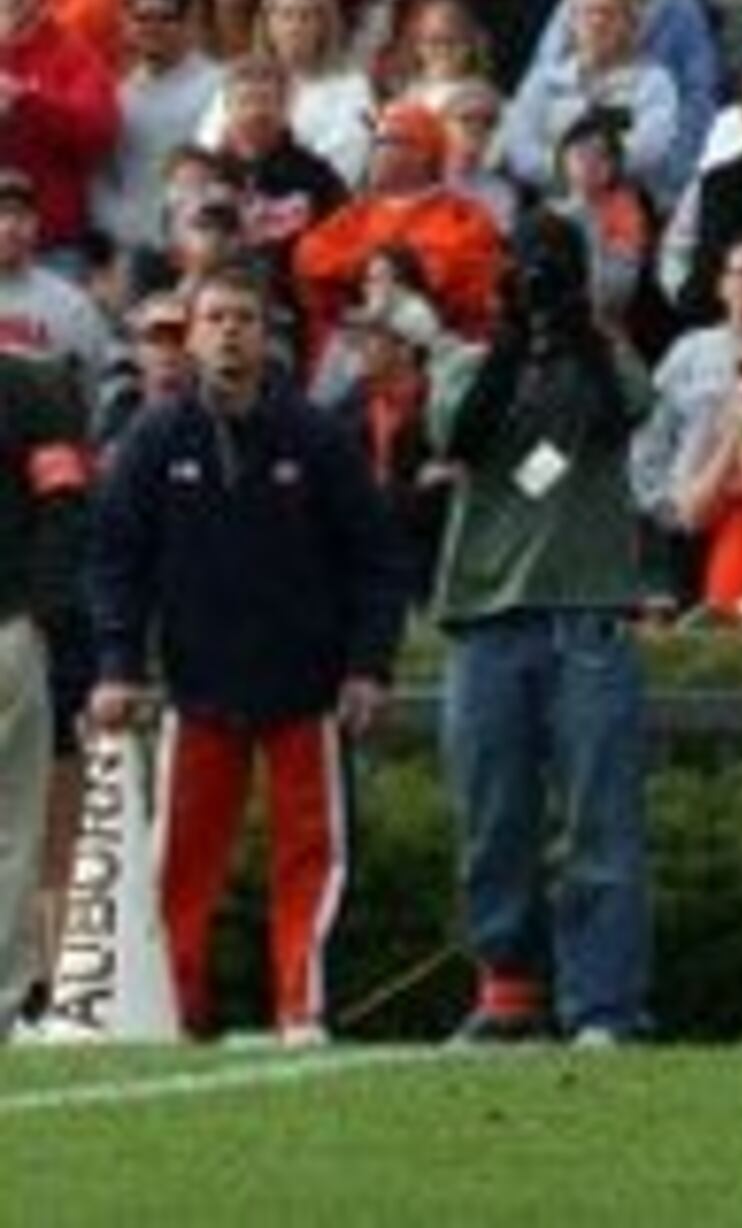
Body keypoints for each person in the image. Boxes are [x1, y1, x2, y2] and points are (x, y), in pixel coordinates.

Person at [83, 264, 403, 1043]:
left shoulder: (316, 436)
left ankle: (302, 1009)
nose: (230, 332)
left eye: (245, 319)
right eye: (216, 318)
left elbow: (377, 557)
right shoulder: (154, 438)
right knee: (181, 866)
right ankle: (174, 1014)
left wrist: (369, 665)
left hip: (306, 688)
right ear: (191, 336)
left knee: (310, 857)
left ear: (269, 336)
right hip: (198, 691)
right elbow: (115, 560)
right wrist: (120, 666)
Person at [428, 212, 656, 1047]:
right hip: (487, 614)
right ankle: (508, 990)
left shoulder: (608, 355)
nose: (539, 280)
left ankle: (604, 1007)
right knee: (494, 818)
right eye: (527, 266)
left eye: (554, 267)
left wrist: (582, 330)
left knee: (600, 820)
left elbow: (629, 408)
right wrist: (510, 334)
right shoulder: (463, 360)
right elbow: (459, 435)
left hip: (588, 611)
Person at [0, 344, 90, 1031]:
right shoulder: (33, 383)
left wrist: (39, 610)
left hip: (8, 625)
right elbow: (64, 500)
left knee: (13, 828)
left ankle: (6, 1001)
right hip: (12, 625)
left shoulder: (30, 383)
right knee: (12, 829)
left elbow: (64, 501)